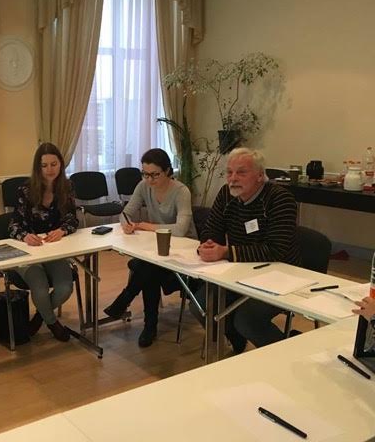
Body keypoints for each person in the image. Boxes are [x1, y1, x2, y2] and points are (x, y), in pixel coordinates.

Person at [189, 147, 300, 353]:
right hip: (240, 271)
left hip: (279, 275)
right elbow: (211, 228)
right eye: (229, 172)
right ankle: (237, 342)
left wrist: (226, 252)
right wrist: (208, 244)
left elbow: (276, 250)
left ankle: (289, 356)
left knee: (247, 320)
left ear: (260, 175)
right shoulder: (226, 194)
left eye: (241, 172)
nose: (233, 179)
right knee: (200, 305)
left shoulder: (280, 198)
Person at [103, 148, 196, 347]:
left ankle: (131, 306)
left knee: (146, 269)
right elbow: (125, 213)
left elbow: (180, 230)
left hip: (184, 252)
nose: (149, 179)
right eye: (145, 174)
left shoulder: (181, 192)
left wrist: (146, 225)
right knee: (148, 268)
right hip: (157, 249)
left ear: (167, 171)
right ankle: (147, 324)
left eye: (155, 174)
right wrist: (127, 224)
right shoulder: (143, 186)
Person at [9, 143, 79, 342]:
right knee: (39, 287)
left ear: (61, 164)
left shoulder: (67, 187)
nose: (49, 170)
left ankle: (41, 315)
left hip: (53, 249)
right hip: (29, 250)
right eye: (44, 165)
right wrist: (25, 236)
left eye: (54, 164)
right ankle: (53, 323)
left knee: (65, 287)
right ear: (37, 167)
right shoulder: (25, 189)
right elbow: (13, 225)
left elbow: (72, 219)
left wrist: (62, 230)